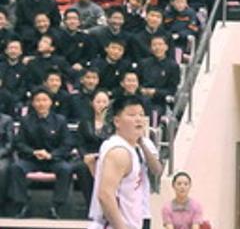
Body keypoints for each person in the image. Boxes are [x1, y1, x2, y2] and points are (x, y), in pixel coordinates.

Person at [87, 95, 163, 229]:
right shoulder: (119, 151)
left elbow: (157, 170)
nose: (138, 119)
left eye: (141, 114)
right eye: (132, 115)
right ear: (117, 121)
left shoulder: (132, 147)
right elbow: (105, 195)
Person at [12, 88, 75, 219]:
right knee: (16, 168)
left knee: (66, 169)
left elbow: (67, 144)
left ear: (51, 102)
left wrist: (52, 155)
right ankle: (23, 205)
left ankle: (56, 206)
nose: (41, 103)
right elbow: (19, 143)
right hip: (32, 159)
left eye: (44, 100)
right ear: (33, 103)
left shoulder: (60, 120)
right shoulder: (26, 120)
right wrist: (33, 152)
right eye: (38, 100)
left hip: (53, 159)